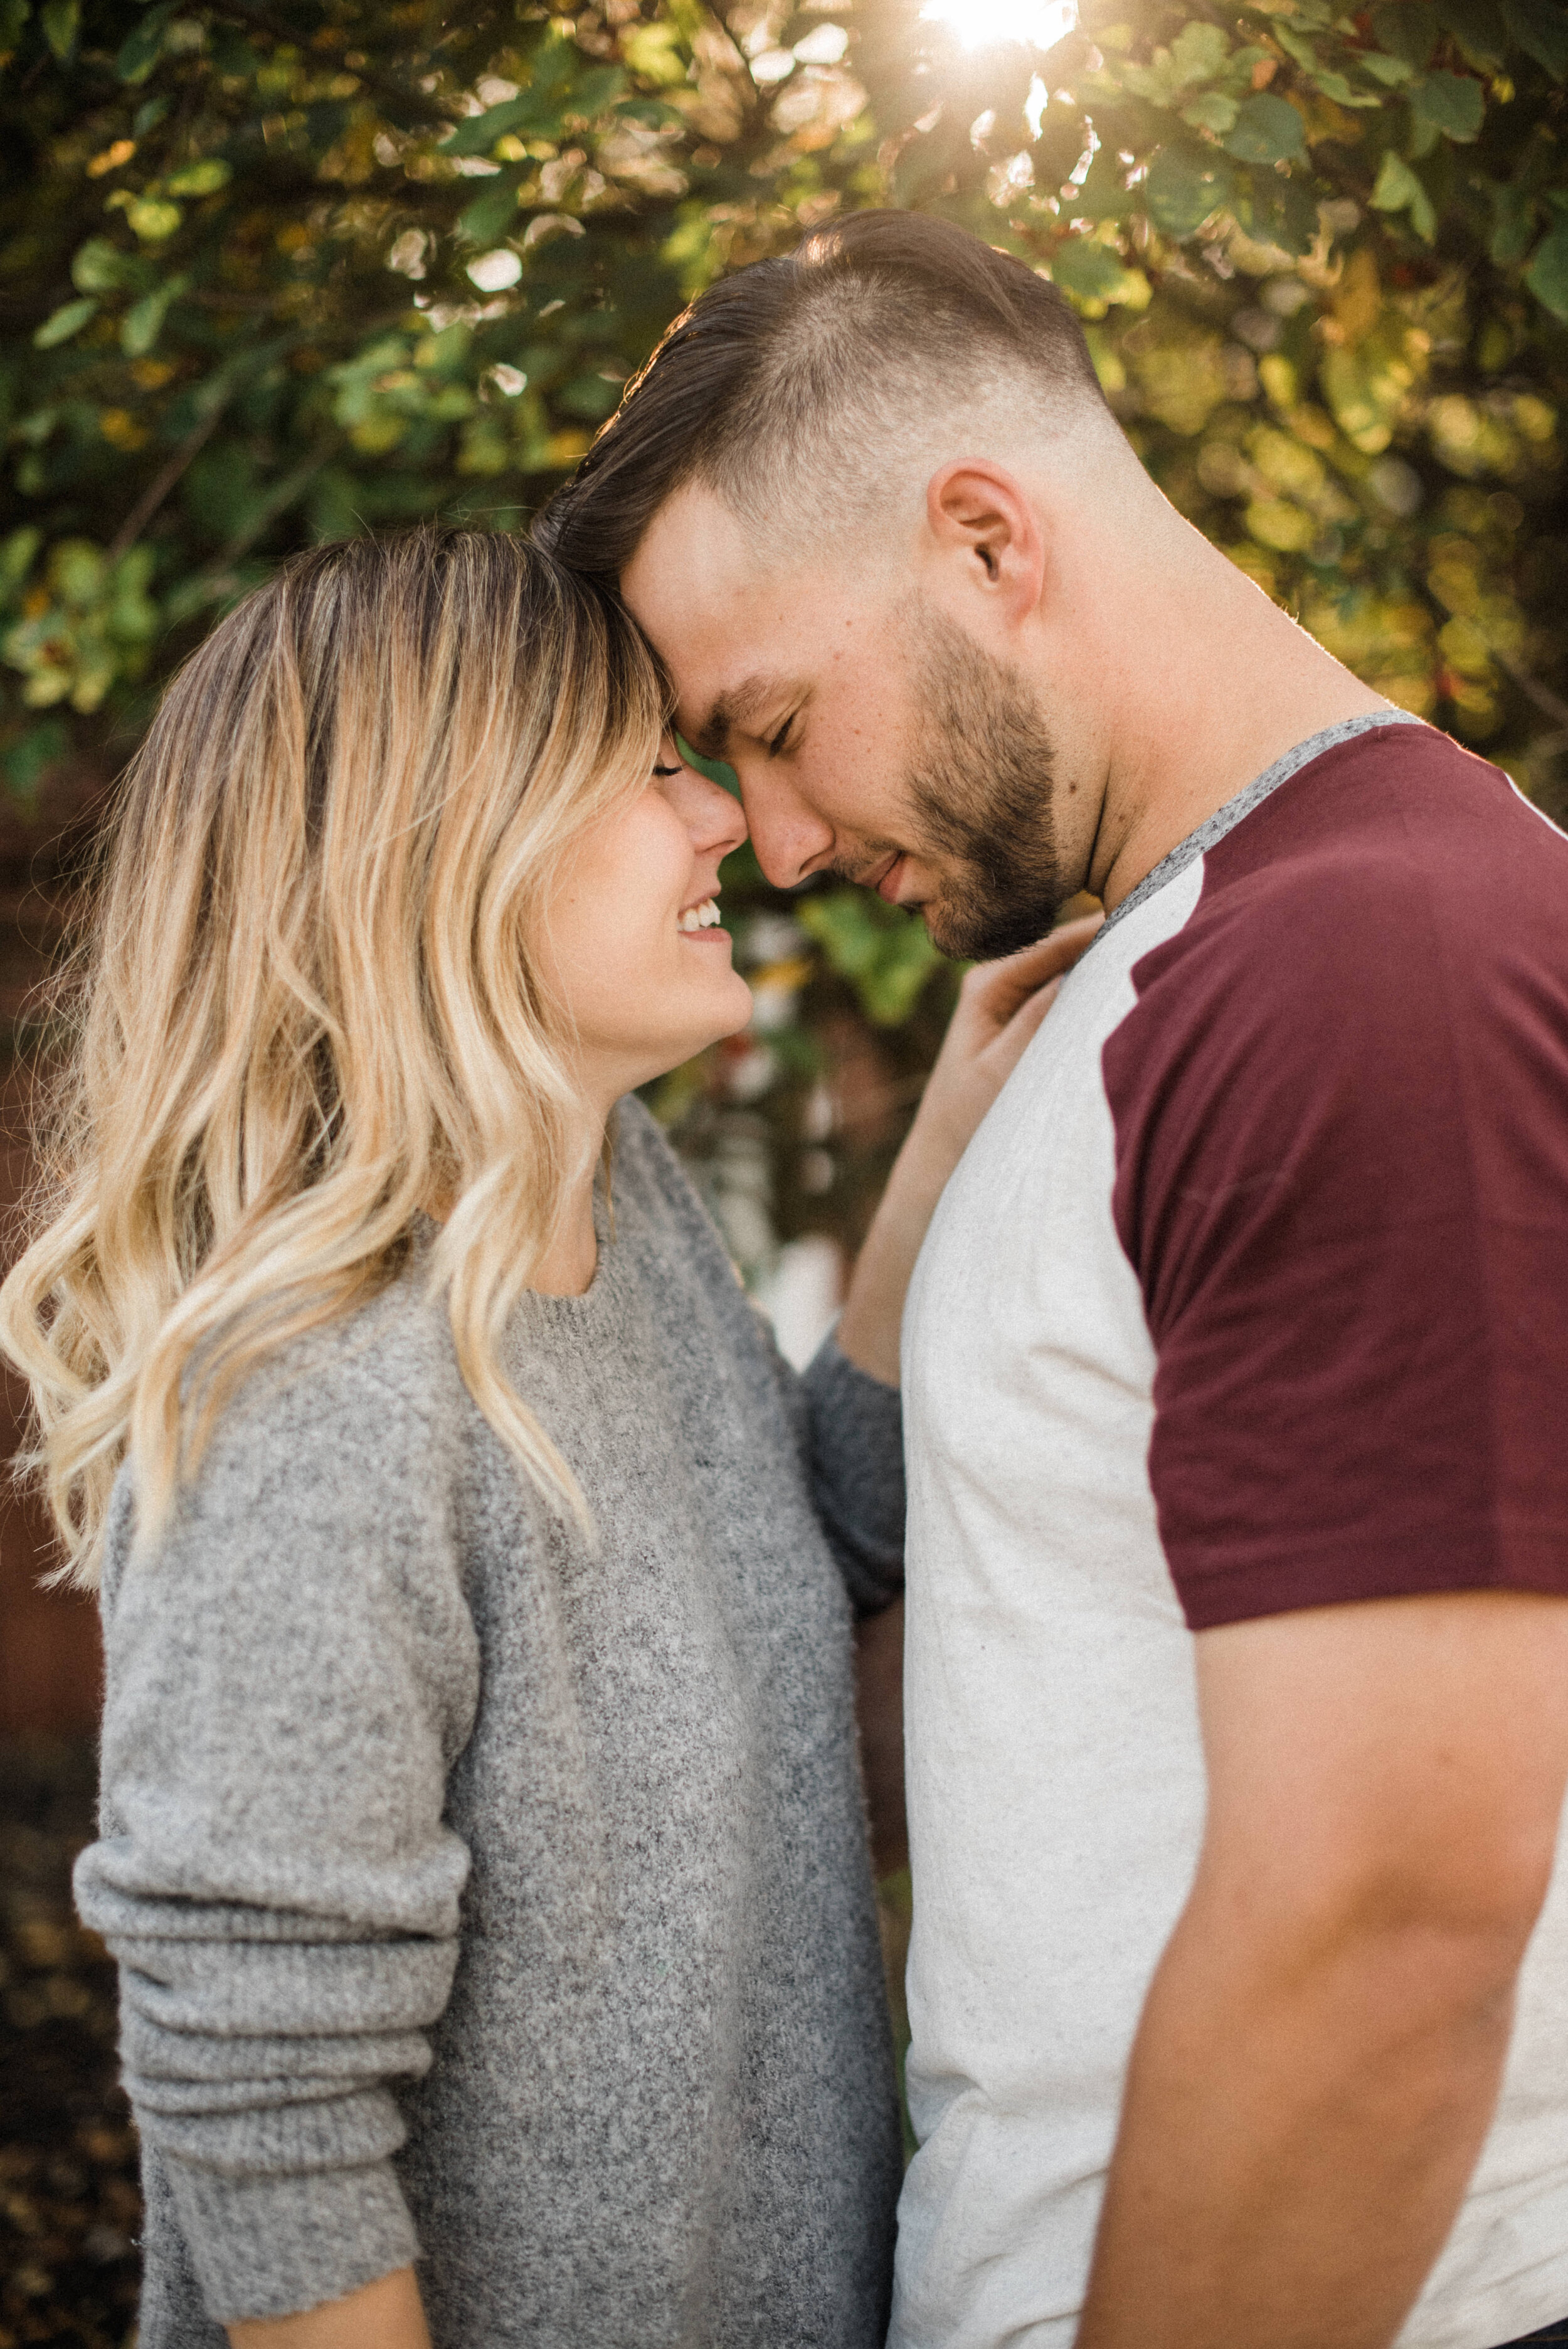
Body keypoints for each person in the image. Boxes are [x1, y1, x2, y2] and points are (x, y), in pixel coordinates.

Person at [539, 211, 1568, 2349]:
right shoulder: (1154, 973)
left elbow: (1386, 1926)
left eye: (777, 719)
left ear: (987, 543)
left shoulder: (1361, 962)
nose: (781, 837)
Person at [0, 527, 1086, 2349]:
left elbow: (790, 1561)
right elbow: (265, 2108)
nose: (724, 817)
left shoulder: (616, 1199)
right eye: (646, 769)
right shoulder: (323, 1391)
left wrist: (944, 1148)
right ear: (441, 849)